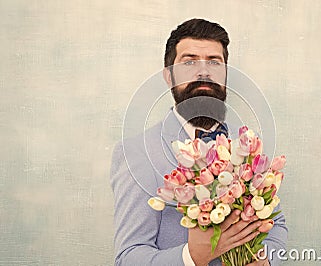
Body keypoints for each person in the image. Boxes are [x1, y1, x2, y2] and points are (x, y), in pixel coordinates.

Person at [110, 18, 288, 266]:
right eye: (189, 61)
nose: (204, 71)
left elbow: (276, 225)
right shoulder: (136, 153)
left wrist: (267, 260)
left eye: (214, 62)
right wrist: (192, 257)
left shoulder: (249, 144)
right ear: (169, 76)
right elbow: (129, 257)